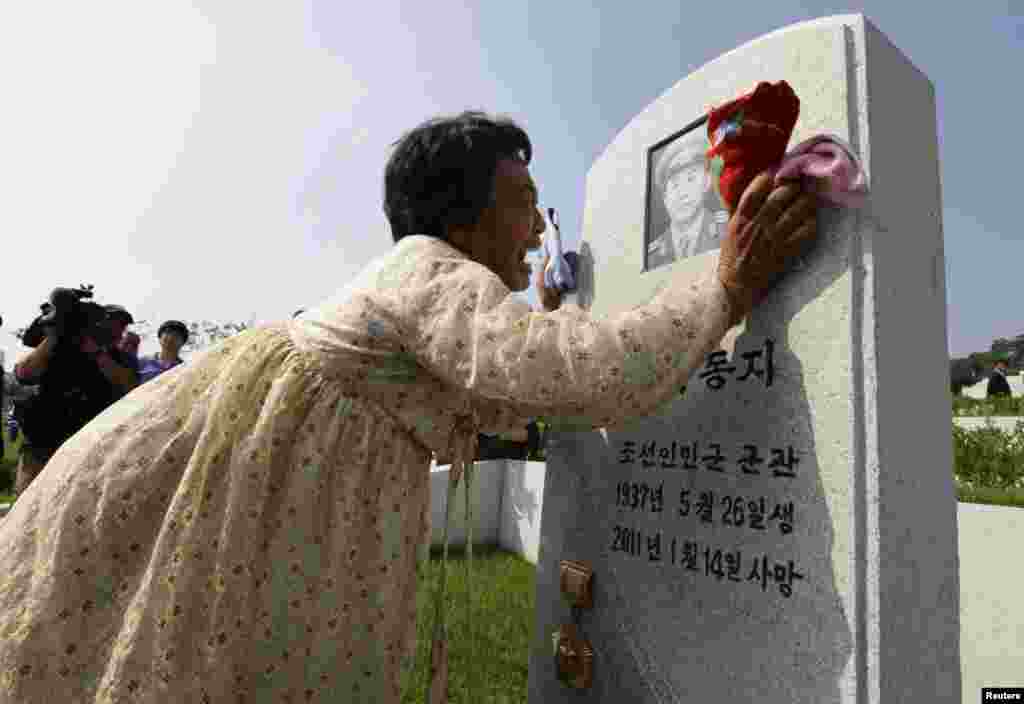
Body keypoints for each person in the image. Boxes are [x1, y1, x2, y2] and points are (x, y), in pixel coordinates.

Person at [0, 110, 818, 703]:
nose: (539, 224)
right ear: (460, 213)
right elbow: (574, 374)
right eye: (522, 199)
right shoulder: (430, 271)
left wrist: (542, 309)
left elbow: (514, 390)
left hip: (271, 484)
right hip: (278, 488)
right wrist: (725, 286)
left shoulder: (422, 281)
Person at [9, 303, 139, 497]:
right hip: (42, 444)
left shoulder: (120, 359)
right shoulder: (59, 347)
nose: (117, 330)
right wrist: (55, 335)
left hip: (89, 449)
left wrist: (96, 352)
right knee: (26, 506)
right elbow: (23, 373)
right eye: (113, 322)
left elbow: (129, 386)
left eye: (122, 326)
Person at [646, 130, 729, 269]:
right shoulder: (652, 256)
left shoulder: (726, 230)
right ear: (665, 196)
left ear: (707, 182)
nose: (682, 194)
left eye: (691, 179)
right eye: (675, 184)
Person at [137, 320, 189, 384]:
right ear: (159, 338)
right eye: (168, 332)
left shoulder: (185, 369)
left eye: (177, 335)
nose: (171, 337)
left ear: (183, 342)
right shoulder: (142, 362)